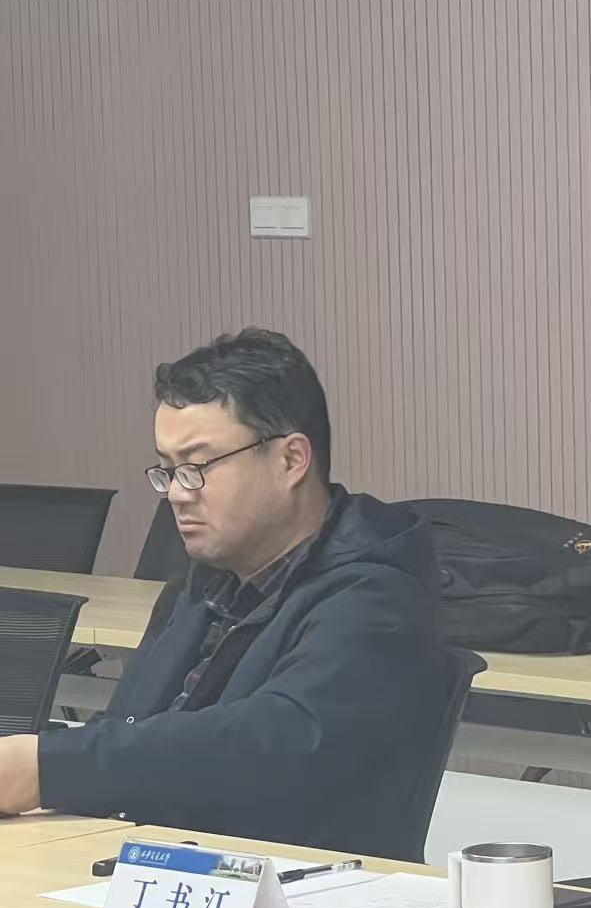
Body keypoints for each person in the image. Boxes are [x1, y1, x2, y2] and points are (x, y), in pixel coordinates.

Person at [0, 328, 452, 860]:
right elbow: (132, 727)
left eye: (198, 467)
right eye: (169, 470)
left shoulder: (377, 598)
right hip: (161, 863)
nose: (177, 493)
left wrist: (48, 768)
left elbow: (269, 744)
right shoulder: (207, 582)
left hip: (290, 887)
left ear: (291, 460)